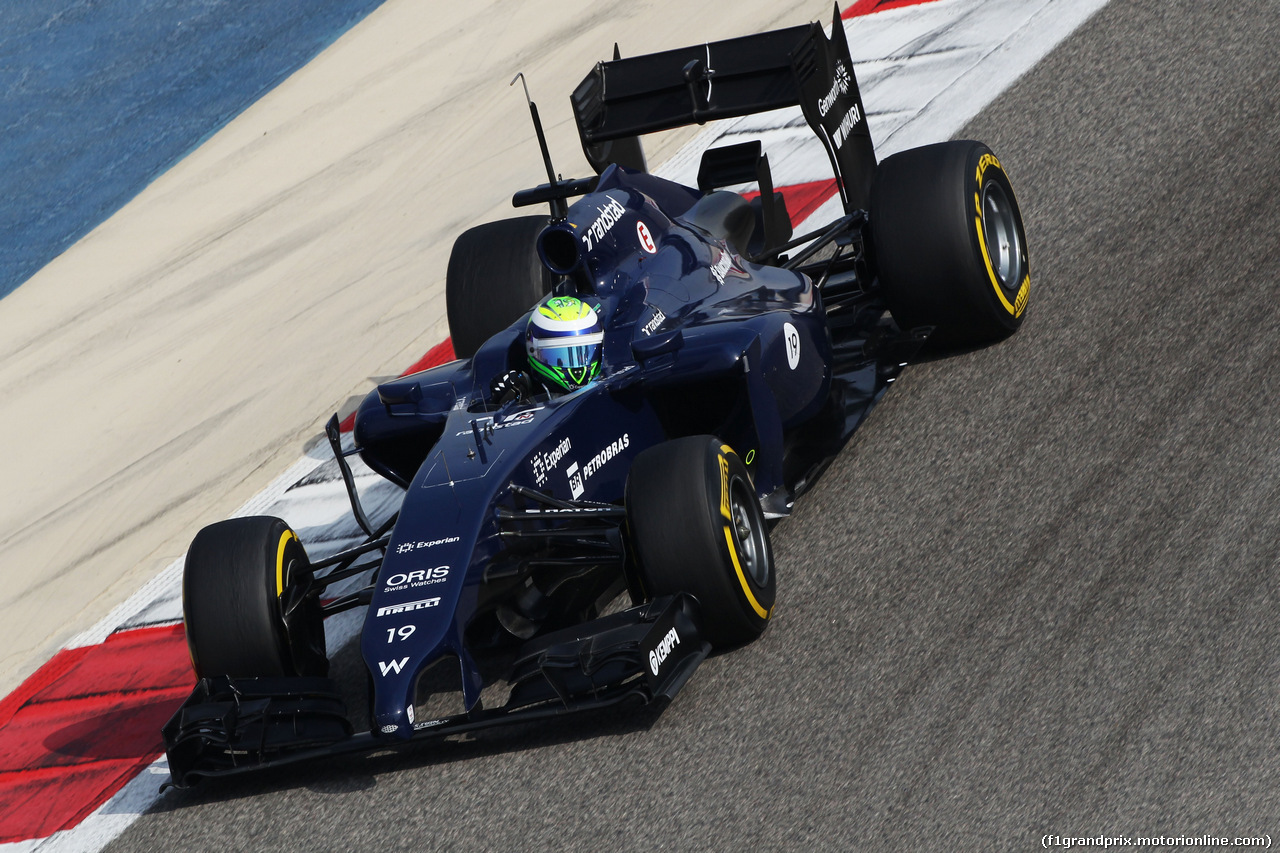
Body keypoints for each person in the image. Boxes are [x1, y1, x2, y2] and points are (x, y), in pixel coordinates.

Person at [490, 295, 603, 403]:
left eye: (583, 353)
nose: (577, 370)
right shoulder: (522, 391)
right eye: (560, 355)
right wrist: (507, 396)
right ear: (533, 351)